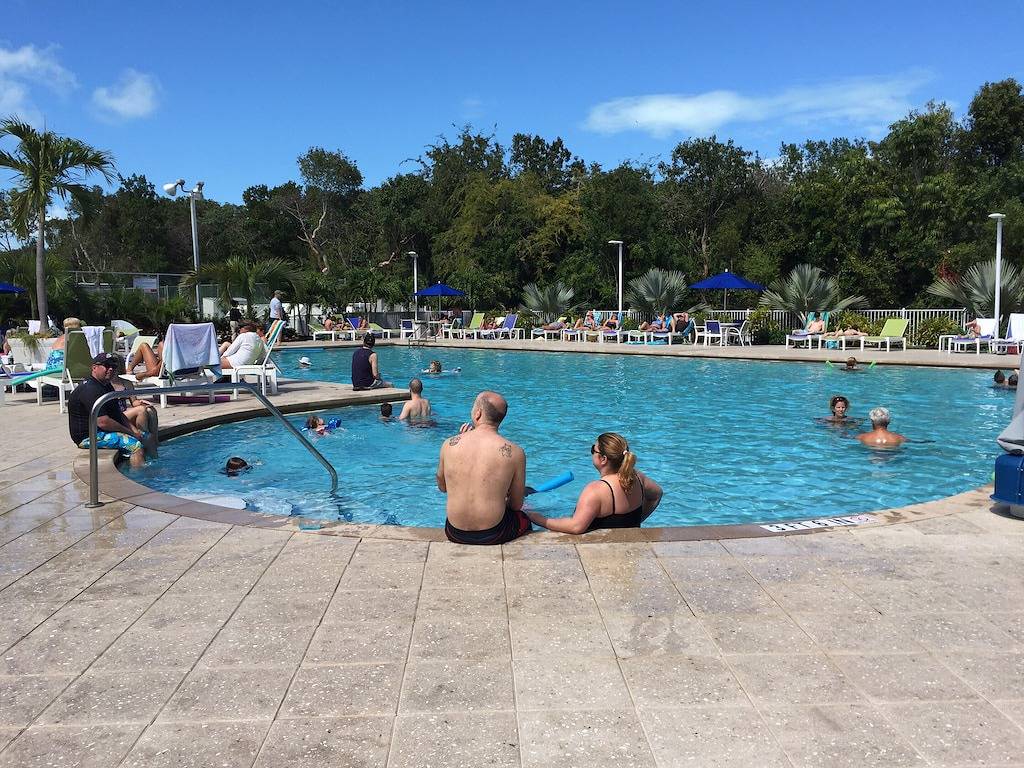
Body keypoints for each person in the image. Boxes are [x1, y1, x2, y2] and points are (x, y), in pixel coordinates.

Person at [436, 391, 529, 544]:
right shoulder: (516, 452)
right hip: (493, 534)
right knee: (524, 517)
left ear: (478, 413)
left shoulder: (449, 444)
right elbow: (516, 505)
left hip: (454, 532)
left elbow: (443, 487)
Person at [527, 433, 664, 533]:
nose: (592, 452)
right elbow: (657, 494)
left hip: (602, 555)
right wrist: (636, 521)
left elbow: (576, 527)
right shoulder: (637, 477)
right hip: (630, 550)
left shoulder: (597, 490)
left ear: (603, 459)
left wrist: (537, 518)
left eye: (593, 449)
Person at [68, 353, 157, 468]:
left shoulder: (106, 386)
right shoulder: (90, 389)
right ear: (94, 368)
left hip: (102, 431)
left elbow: (118, 414)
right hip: (89, 437)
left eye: (113, 367)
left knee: (148, 437)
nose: (111, 369)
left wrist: (135, 431)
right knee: (135, 445)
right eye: (106, 365)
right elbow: (103, 422)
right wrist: (130, 433)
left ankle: (154, 467)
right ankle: (139, 477)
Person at [110, 355, 159, 449]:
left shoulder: (126, 383)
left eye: (117, 365)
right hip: (116, 414)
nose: (114, 368)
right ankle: (143, 436)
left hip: (124, 414)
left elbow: (134, 401)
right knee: (141, 410)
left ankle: (155, 441)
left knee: (150, 410)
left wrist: (141, 402)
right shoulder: (106, 384)